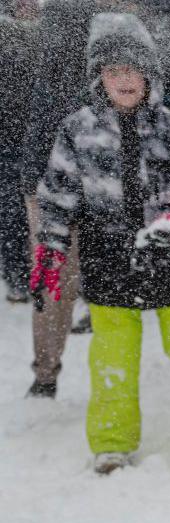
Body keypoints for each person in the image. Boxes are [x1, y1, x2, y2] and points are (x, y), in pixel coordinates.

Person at [32, 13, 170, 474]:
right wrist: (51, 248)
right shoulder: (76, 130)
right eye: (113, 70)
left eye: (132, 69)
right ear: (98, 78)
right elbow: (56, 197)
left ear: (150, 74)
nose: (124, 79)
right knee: (112, 353)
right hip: (109, 255)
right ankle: (111, 441)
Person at [19, 0, 109, 398]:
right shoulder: (80, 32)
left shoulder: (50, 39)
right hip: (61, 176)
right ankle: (45, 373)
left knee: (56, 279)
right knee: (58, 279)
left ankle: (45, 374)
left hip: (60, 174)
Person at [0, 0, 39, 304]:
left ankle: (22, 276)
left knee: (17, 208)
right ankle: (19, 276)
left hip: (31, 131)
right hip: (15, 133)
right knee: (13, 209)